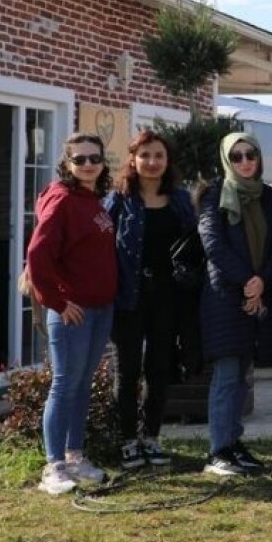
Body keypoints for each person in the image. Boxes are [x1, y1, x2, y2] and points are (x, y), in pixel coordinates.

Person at [26, 133, 117, 494]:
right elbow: (37, 255)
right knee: (64, 384)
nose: (88, 165)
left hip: (99, 308)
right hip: (72, 313)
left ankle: (75, 456)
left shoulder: (91, 199)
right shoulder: (62, 199)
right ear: (66, 164)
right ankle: (54, 466)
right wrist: (58, 301)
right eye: (80, 160)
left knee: (81, 385)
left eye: (94, 158)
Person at [105, 130, 196, 470]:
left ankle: (153, 437)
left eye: (158, 155)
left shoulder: (181, 200)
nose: (152, 162)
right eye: (145, 155)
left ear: (167, 160)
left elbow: (193, 245)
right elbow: (100, 246)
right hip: (129, 297)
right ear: (133, 159)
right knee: (127, 370)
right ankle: (128, 440)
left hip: (168, 297)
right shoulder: (118, 199)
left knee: (159, 369)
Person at [199, 133, 272, 476]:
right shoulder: (215, 194)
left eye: (251, 154)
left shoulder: (268, 197)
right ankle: (218, 450)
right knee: (227, 373)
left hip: (257, 293)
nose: (245, 161)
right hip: (224, 297)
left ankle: (234, 443)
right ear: (226, 160)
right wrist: (248, 280)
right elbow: (212, 244)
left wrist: (262, 280)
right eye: (237, 156)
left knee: (244, 376)